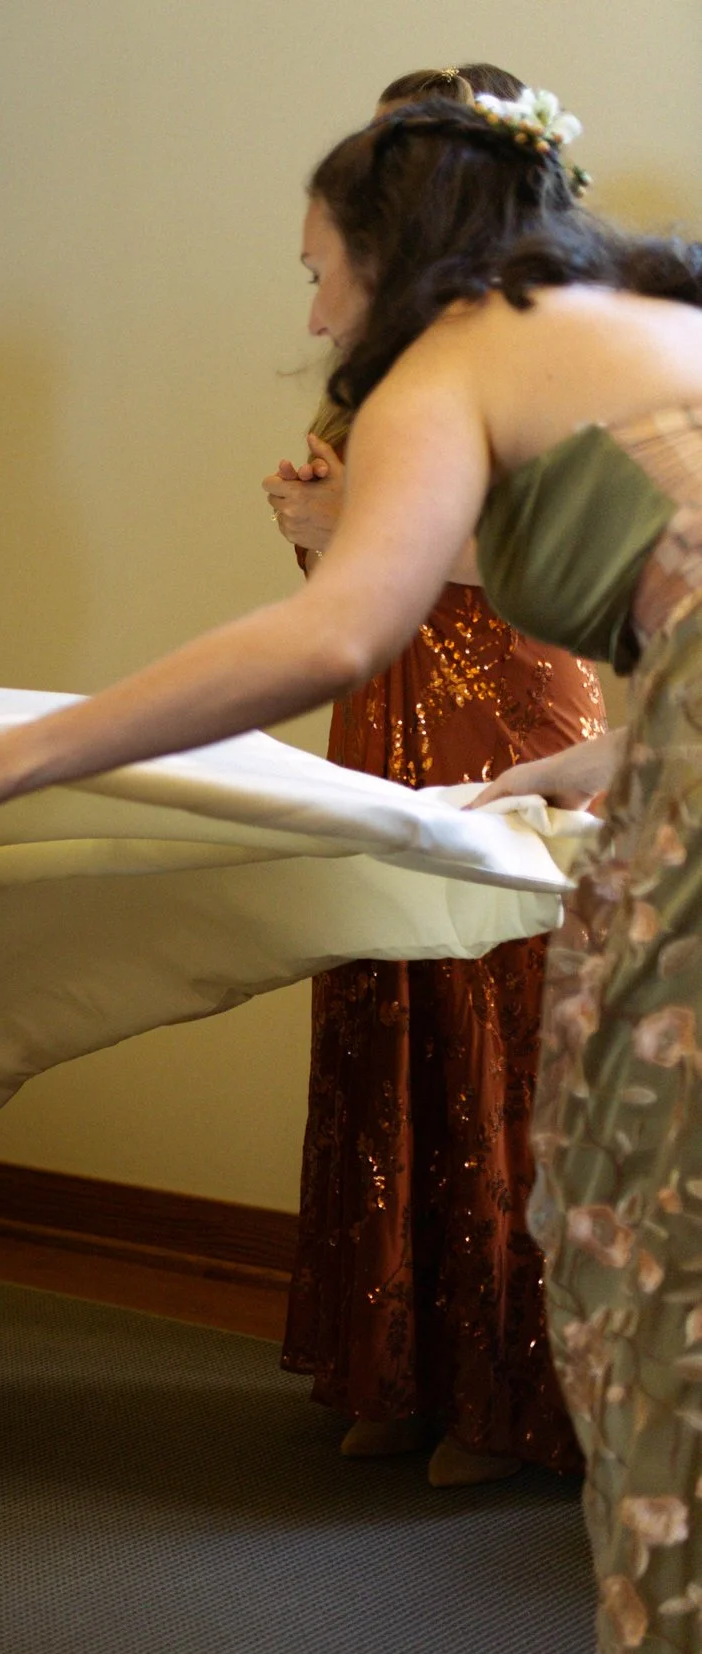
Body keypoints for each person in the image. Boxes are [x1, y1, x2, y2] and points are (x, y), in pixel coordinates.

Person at [0, 88, 702, 1654]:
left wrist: (23, 752)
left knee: (647, 1244)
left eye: (321, 268)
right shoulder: (624, 315)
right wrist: (597, 765)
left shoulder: (450, 361)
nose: (309, 307)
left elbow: (329, 633)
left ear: (400, 257)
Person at [264, 63, 606, 1490]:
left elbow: (563, 565)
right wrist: (311, 526)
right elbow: (352, 579)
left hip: (514, 690)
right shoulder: (380, 369)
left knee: (495, 1013)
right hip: (387, 694)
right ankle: (394, 1361)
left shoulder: (562, 352)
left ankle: (510, 1390)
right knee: (387, 999)